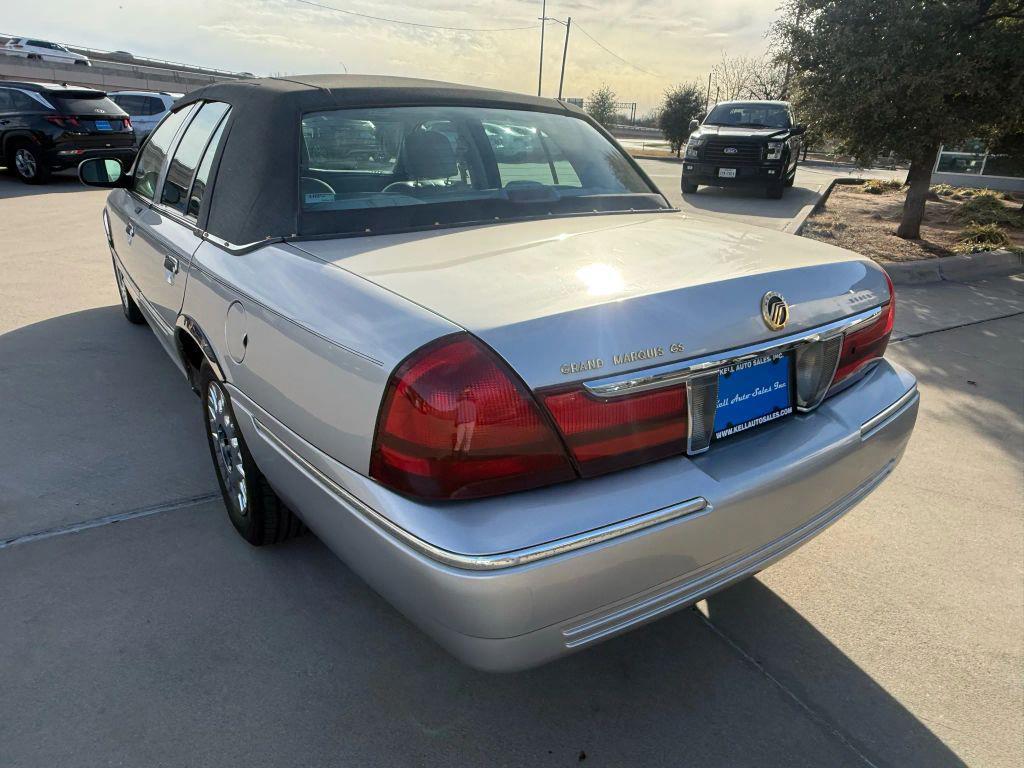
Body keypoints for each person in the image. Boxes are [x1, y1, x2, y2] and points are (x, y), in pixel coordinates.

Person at [454, 387, 477, 454]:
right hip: (461, 422)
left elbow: (474, 397)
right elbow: (457, 409)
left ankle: (465, 452)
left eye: (469, 389)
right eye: (467, 389)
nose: (468, 392)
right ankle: (456, 452)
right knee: (459, 440)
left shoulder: (473, 400)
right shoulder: (460, 400)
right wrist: (464, 392)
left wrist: (470, 391)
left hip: (471, 421)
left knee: (468, 439)